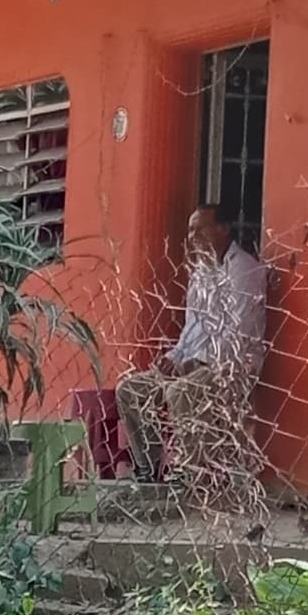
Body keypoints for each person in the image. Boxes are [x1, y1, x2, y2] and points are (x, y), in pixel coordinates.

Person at [122, 203, 270, 484]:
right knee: (130, 389)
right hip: (195, 362)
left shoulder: (245, 271)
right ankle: (149, 470)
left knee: (180, 392)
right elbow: (191, 330)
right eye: (190, 232)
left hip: (233, 364)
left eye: (199, 230)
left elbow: (238, 336)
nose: (192, 238)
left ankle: (192, 474)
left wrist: (198, 361)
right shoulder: (200, 274)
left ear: (223, 229)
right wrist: (174, 358)